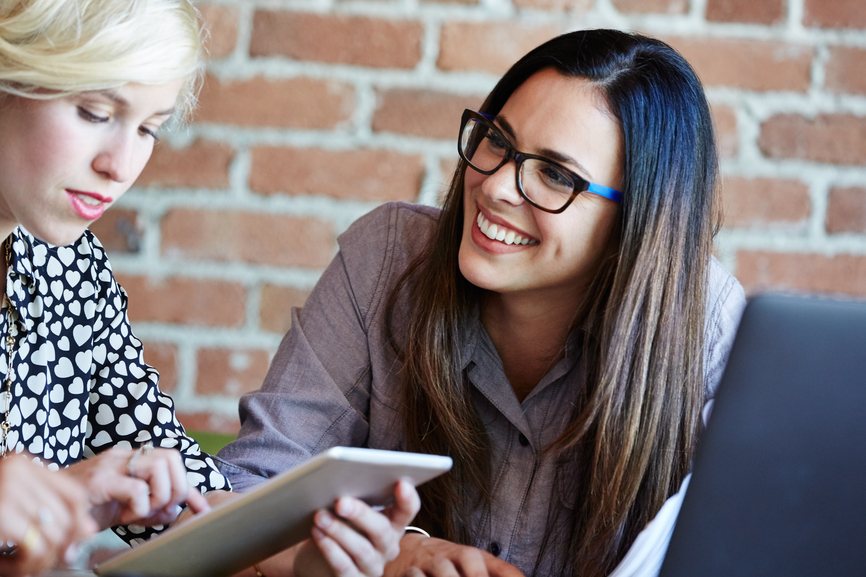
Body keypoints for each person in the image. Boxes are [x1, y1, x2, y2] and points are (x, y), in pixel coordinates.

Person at [216, 29, 747, 577]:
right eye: (498, 140)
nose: (495, 187)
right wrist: (397, 552)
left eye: (556, 175)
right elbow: (241, 495)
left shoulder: (710, 337)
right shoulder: (387, 259)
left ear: (639, 222)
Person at [0, 1, 417, 576]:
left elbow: (187, 495)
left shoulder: (69, 268)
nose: (120, 165)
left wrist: (313, 556)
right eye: (94, 112)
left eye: (149, 128)